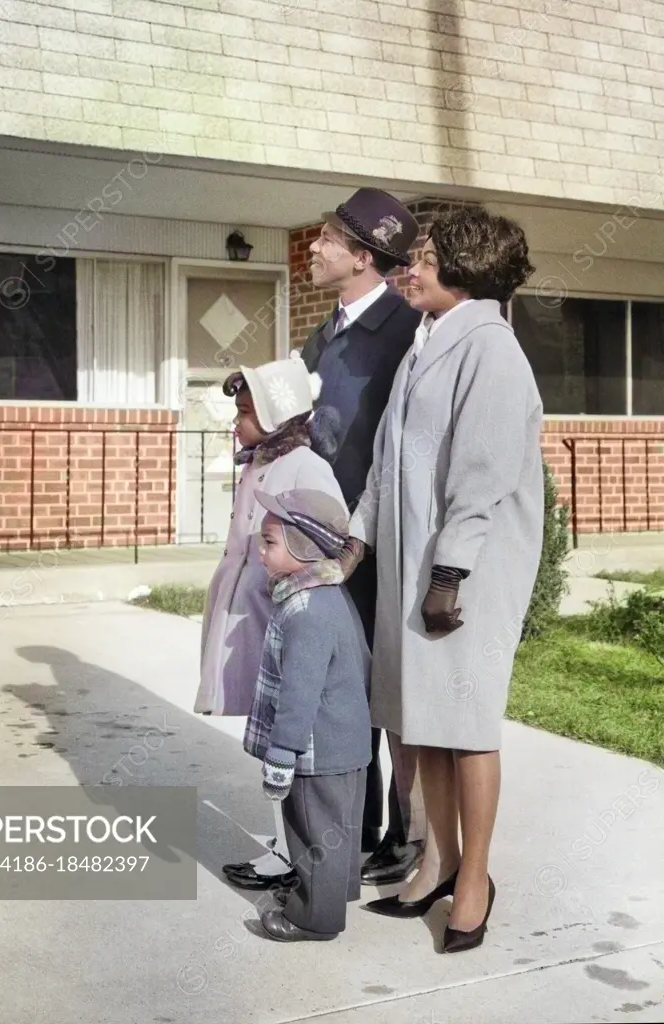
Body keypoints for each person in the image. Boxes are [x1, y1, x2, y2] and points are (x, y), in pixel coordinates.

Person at [348, 205, 543, 953]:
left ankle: (474, 881)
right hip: (415, 561)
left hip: (466, 573)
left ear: (462, 268)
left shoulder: (490, 350)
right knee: (423, 720)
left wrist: (448, 576)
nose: (410, 267)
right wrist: (357, 541)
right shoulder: (425, 343)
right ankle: (436, 861)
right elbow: (387, 458)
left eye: (424, 256)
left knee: (464, 727)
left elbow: (481, 477)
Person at [301, 188, 427, 886]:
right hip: (325, 538)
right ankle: (356, 836)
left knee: (371, 696)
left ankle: (394, 839)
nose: (312, 248)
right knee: (340, 695)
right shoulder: (331, 330)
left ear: (361, 255)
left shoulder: (407, 329)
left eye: (325, 238)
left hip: (374, 546)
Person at [194, 354, 346, 891]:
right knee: (269, 733)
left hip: (281, 617)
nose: (235, 422)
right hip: (250, 616)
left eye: (244, 412)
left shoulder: (307, 468)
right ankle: (281, 844)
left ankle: (292, 852)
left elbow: (328, 542)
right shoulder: (258, 463)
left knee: (288, 735)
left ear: (278, 414)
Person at [243, 487, 372, 942]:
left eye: (269, 542)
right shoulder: (330, 597)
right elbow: (362, 661)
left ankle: (313, 918)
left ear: (302, 546)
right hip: (345, 744)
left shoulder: (305, 611)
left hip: (316, 751)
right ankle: (332, 896)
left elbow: (298, 694)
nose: (260, 552)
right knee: (337, 832)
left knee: (312, 836)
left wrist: (281, 755)